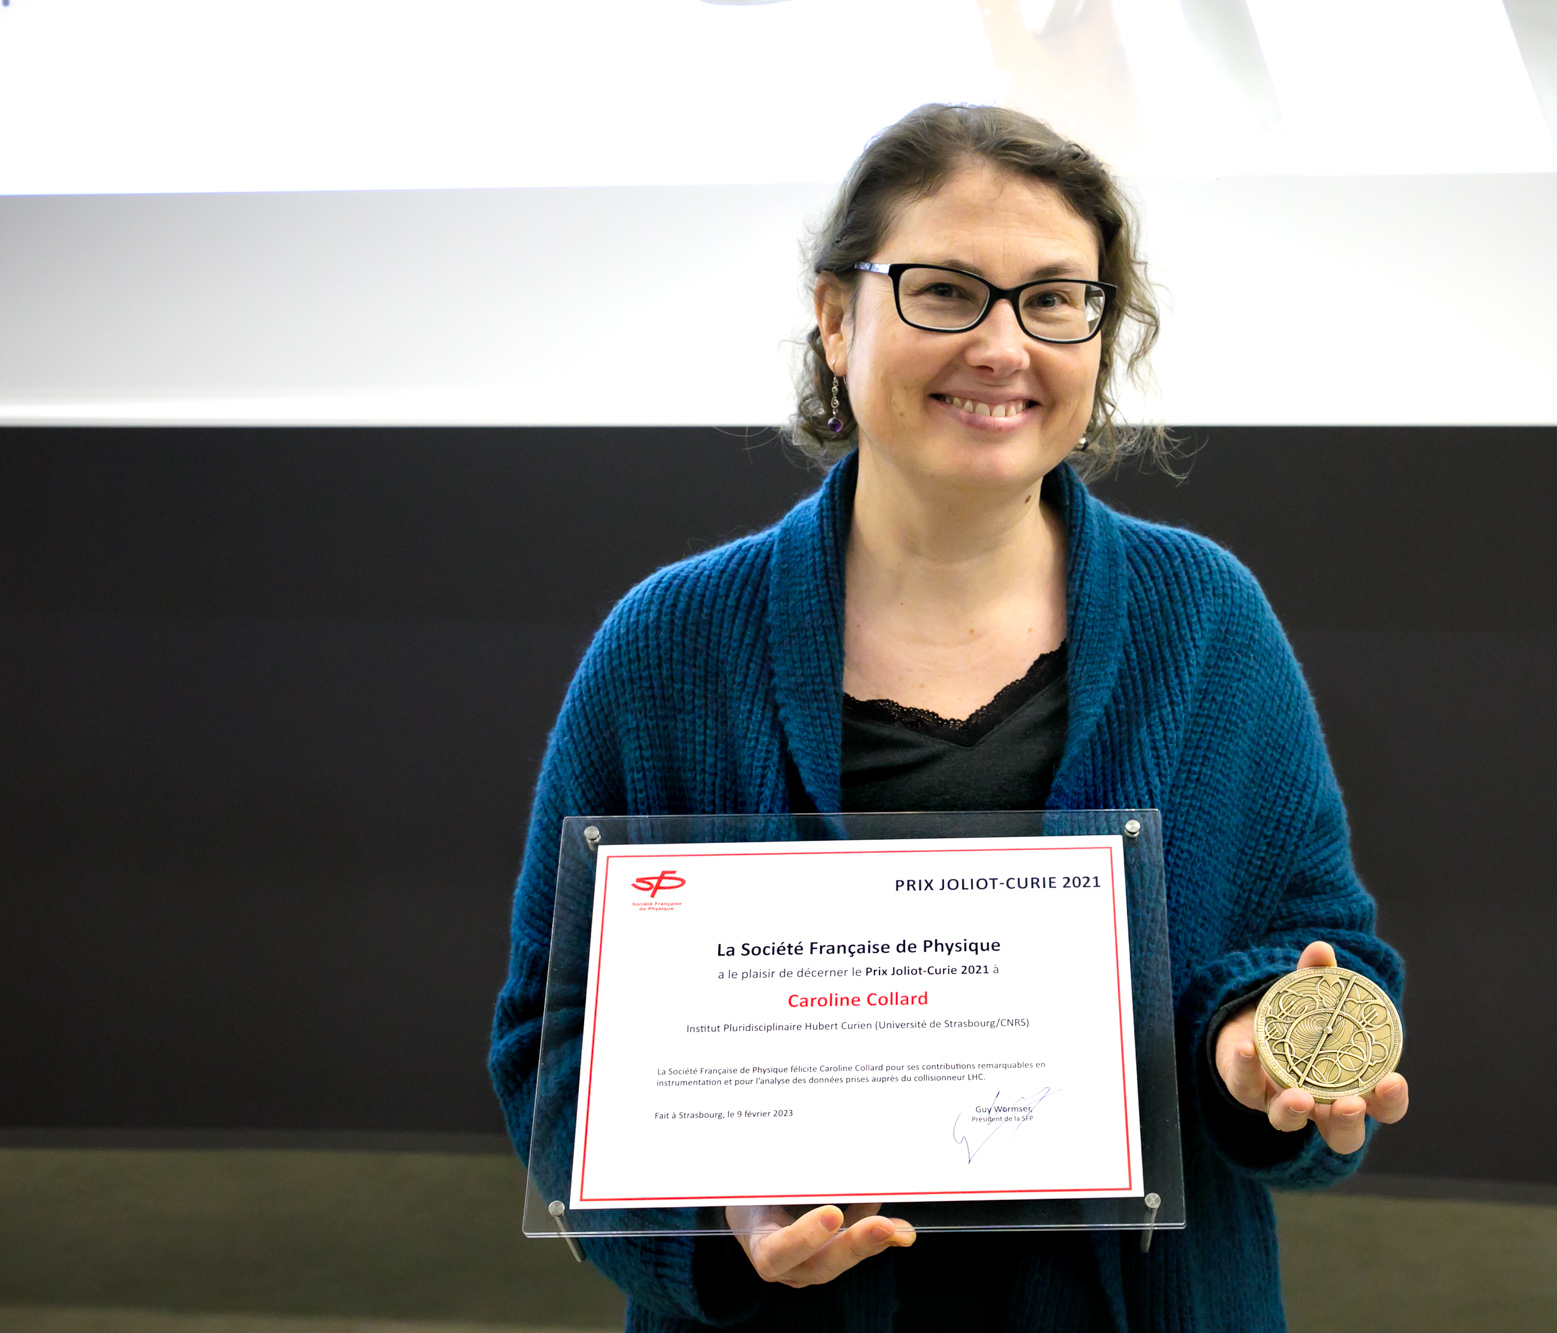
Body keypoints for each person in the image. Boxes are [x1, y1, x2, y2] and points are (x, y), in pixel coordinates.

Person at [489, 102, 1409, 1332]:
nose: (1000, 344)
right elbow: (552, 1040)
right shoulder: (669, 648)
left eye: (1052, 300)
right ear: (833, 316)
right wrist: (720, 1226)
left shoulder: (1206, 623)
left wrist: (1250, 1054)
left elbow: (1309, 945)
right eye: (943, 291)